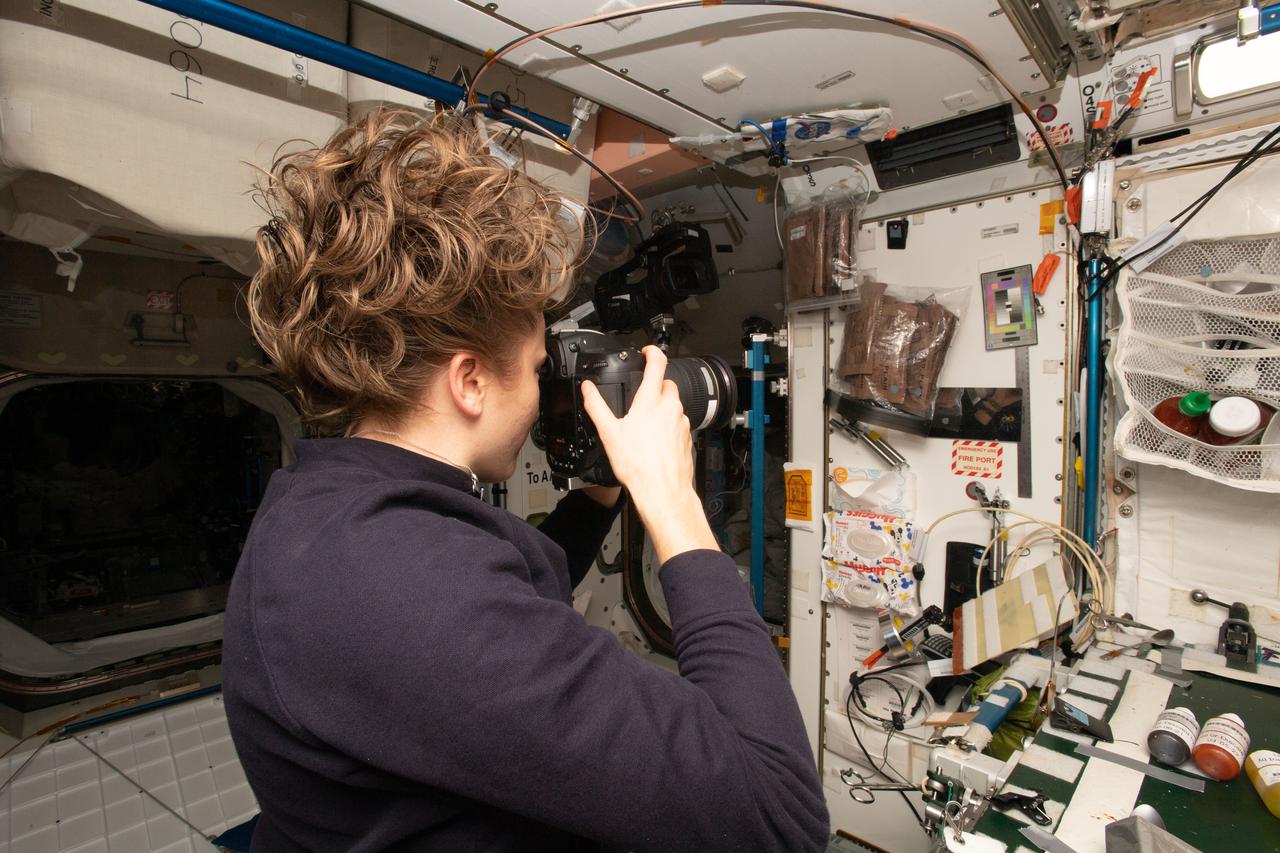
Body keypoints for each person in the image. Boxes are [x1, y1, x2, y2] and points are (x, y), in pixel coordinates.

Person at [223, 108, 828, 852]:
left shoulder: (327, 508)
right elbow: (781, 817)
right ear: (470, 381)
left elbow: (510, 587)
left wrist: (606, 486)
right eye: (541, 369)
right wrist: (672, 501)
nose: (546, 393)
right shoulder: (419, 597)